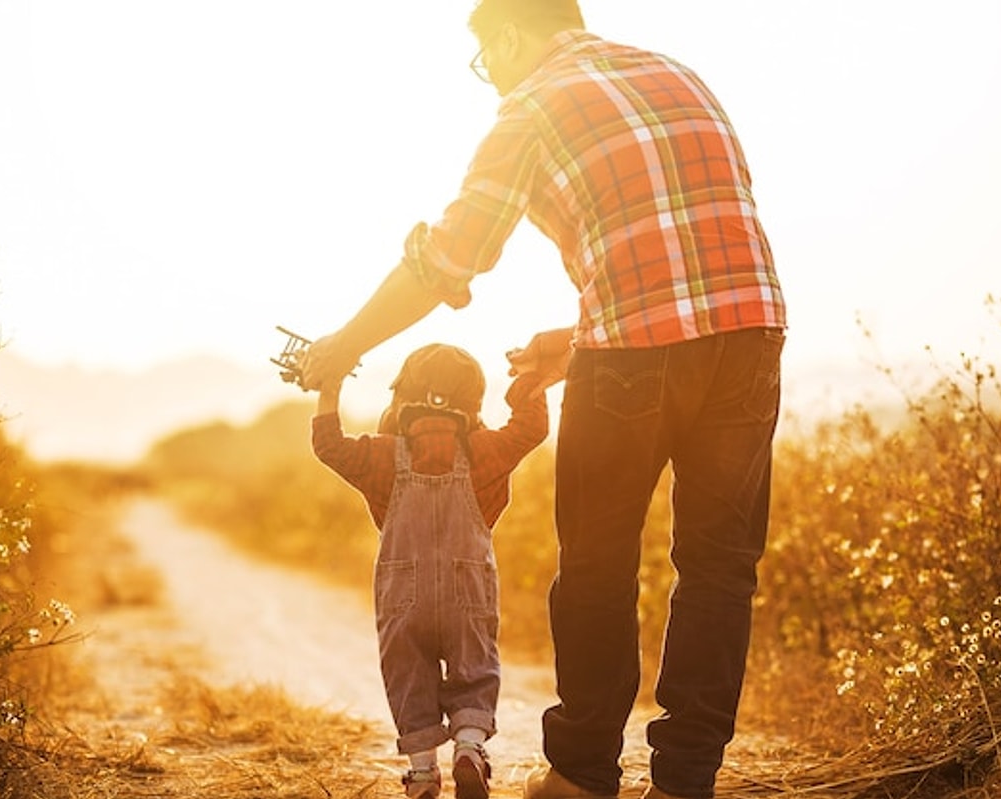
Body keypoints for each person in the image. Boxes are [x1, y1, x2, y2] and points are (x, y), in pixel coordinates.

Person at [300, 2, 786, 798]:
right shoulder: (676, 74)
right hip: (752, 332)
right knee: (720, 565)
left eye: (485, 55)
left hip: (634, 350)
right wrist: (576, 337)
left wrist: (347, 345)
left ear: (513, 35)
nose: (487, 73)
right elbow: (686, 251)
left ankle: (584, 774)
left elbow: (449, 261)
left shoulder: (528, 107)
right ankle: (686, 779)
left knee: (597, 561)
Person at [311, 343, 549, 799]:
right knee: (475, 665)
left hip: (404, 591)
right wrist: (529, 379)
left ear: (402, 399)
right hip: (468, 588)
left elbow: (328, 445)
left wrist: (330, 386)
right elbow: (530, 429)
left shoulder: (382, 454)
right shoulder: (485, 451)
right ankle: (469, 746)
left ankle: (422, 772)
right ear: (473, 402)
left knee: (406, 669)